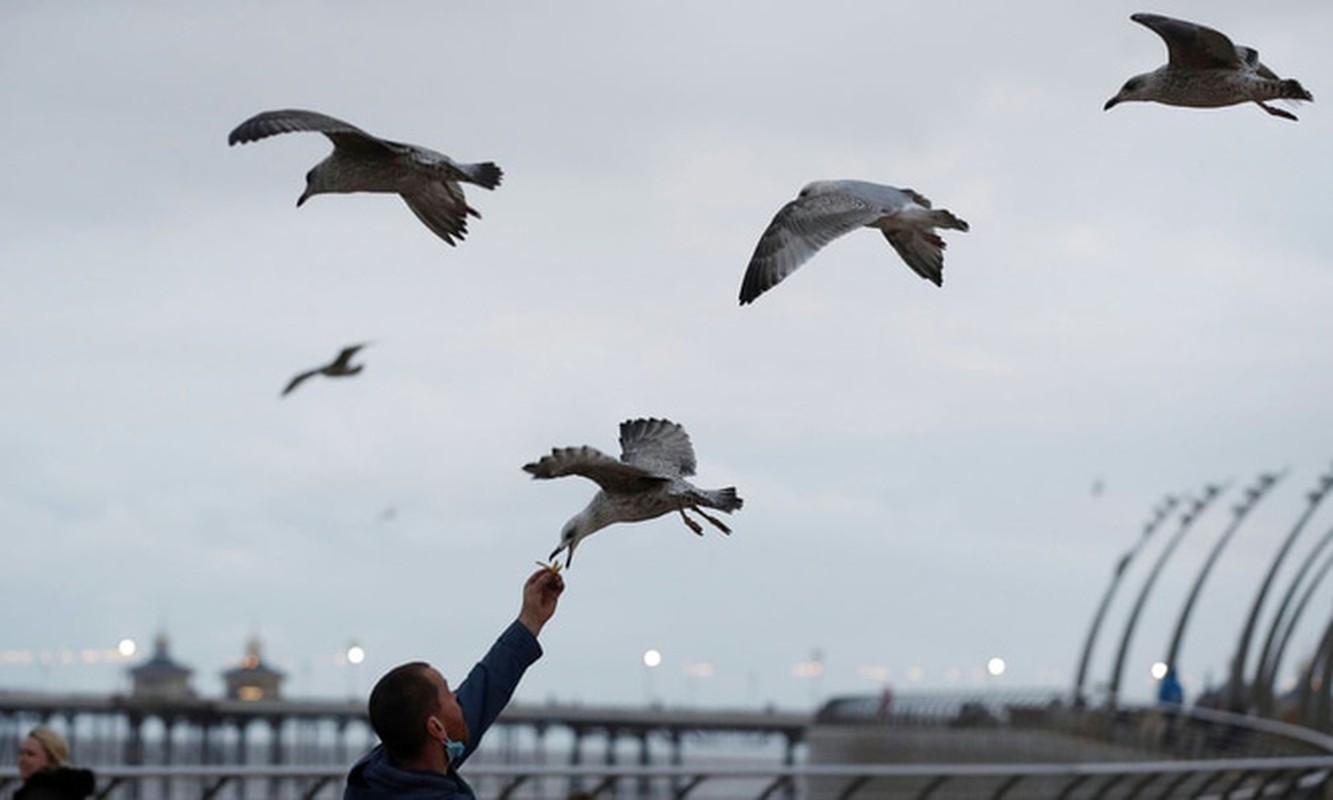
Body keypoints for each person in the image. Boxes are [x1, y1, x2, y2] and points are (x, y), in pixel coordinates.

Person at [344, 566, 565, 799]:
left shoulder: (374, 776)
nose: (459, 699)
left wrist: (530, 620)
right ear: (437, 729)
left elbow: (484, 690)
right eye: (449, 695)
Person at [15, 726, 95, 800]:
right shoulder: (70, 791)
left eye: (30, 754)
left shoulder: (40, 796)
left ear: (53, 760)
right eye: (21, 753)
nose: (22, 759)